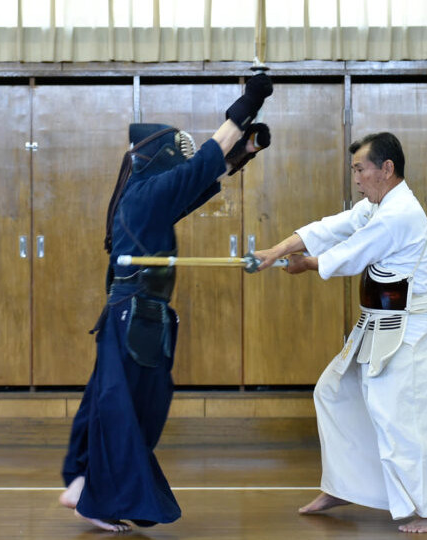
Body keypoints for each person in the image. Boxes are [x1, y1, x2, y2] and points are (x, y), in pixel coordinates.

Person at [58, 73, 273, 532]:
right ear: (159, 158)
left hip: (137, 314)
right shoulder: (148, 194)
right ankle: (96, 497)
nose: (183, 162)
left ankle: (82, 479)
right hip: (132, 314)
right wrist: (250, 100)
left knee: (116, 399)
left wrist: (247, 149)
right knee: (122, 406)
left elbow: (200, 181)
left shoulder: (146, 198)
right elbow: (205, 162)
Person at [253, 132, 427, 534]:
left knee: (400, 420)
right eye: (354, 170)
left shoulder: (400, 213)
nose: (356, 179)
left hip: (406, 335)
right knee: (333, 392)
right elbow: (332, 227)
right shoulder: (378, 206)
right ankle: (347, 486)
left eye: (360, 169)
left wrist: (306, 264)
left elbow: (352, 253)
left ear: (386, 169)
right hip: (375, 328)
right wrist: (277, 250)